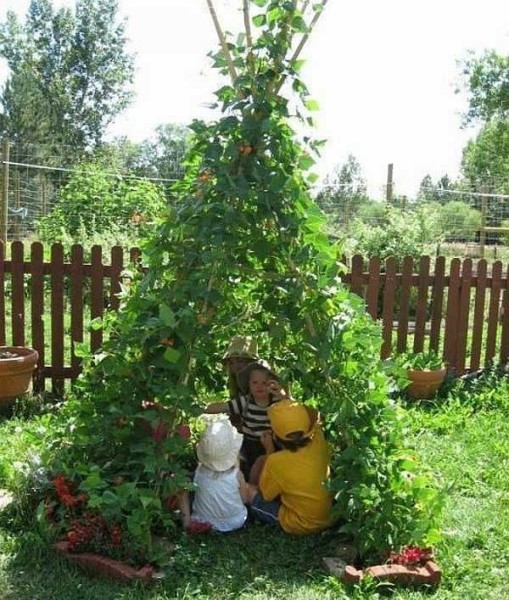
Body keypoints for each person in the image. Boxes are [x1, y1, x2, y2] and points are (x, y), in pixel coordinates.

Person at [247, 397, 333, 535]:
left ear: (275, 435)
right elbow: (314, 415)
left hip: (301, 523)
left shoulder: (276, 461)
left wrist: (269, 449)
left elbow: (266, 495)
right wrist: (284, 396)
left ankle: (248, 514)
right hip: (329, 517)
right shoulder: (318, 439)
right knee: (262, 462)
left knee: (249, 491)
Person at [206, 359, 281, 481]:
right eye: (255, 382)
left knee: (269, 471)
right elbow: (224, 407)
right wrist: (201, 409)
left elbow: (293, 409)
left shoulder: (277, 403)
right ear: (249, 385)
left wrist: (282, 396)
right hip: (250, 443)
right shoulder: (245, 401)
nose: (259, 386)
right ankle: (249, 489)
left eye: (264, 382)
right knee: (250, 470)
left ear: (271, 384)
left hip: (271, 443)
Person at [178, 416, 253, 533]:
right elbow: (244, 499)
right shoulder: (237, 475)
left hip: (203, 520)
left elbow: (182, 492)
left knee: (187, 490)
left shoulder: (199, 472)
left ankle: (186, 520)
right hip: (235, 522)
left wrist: (187, 520)